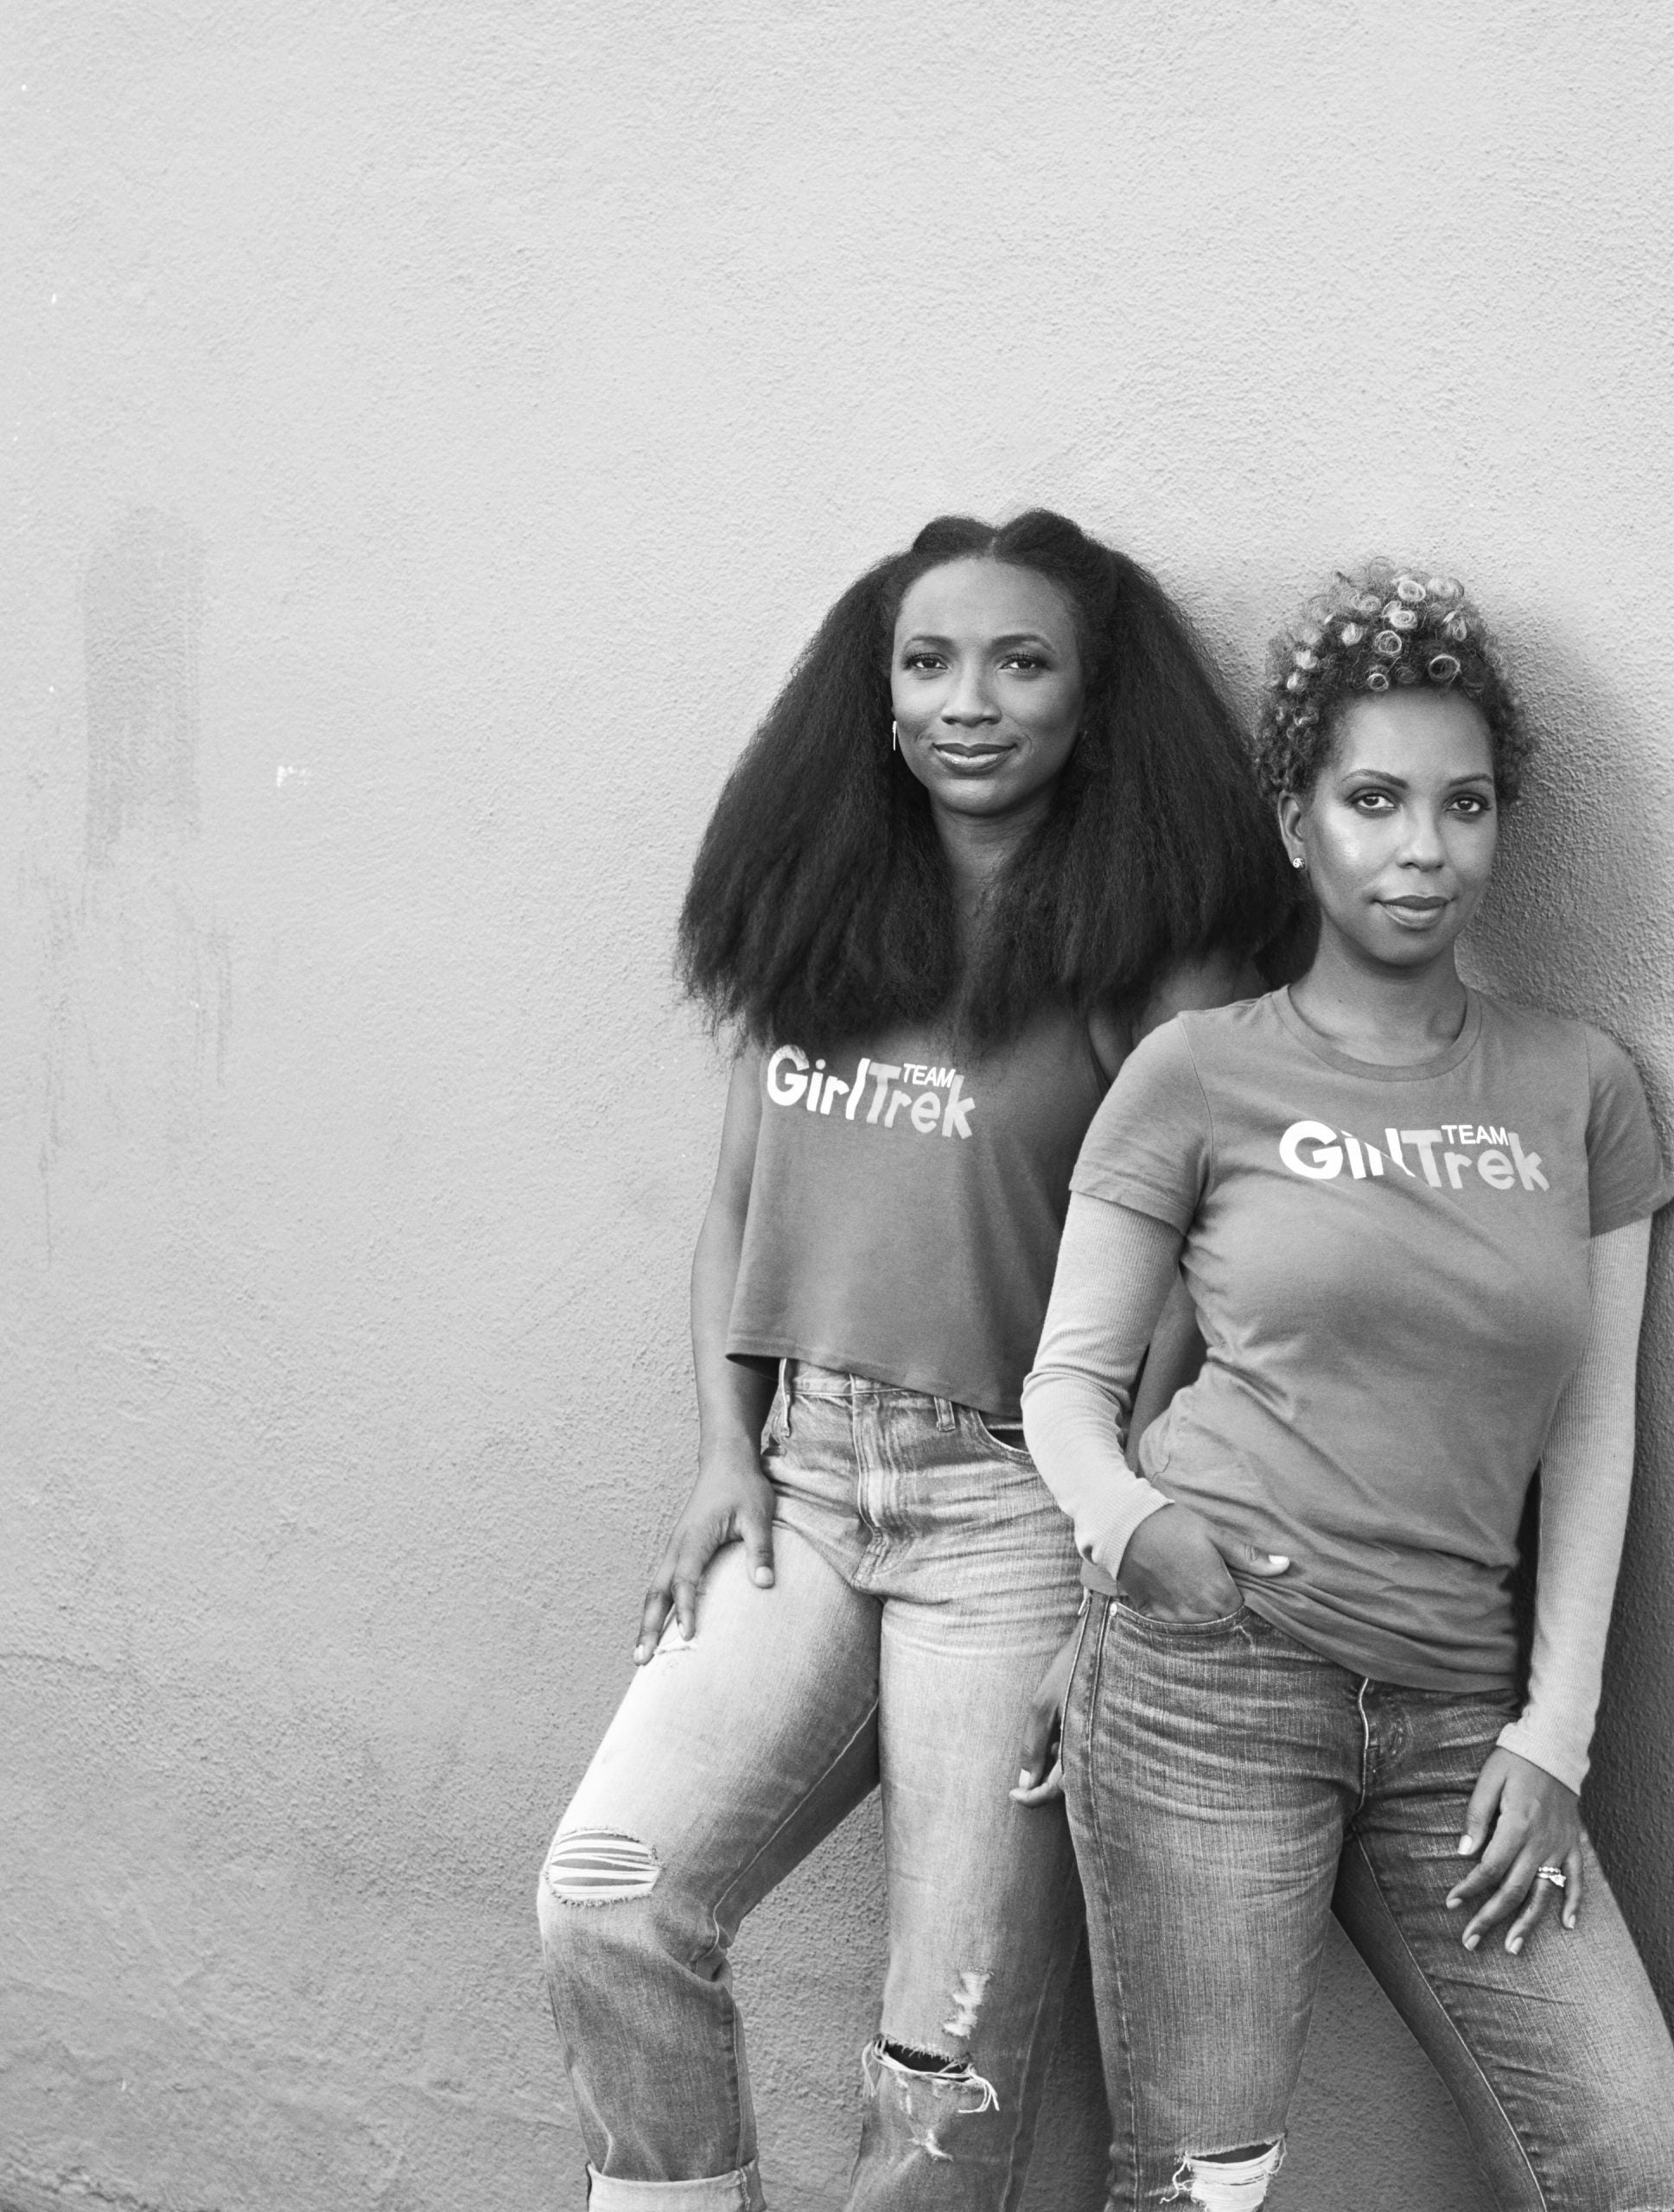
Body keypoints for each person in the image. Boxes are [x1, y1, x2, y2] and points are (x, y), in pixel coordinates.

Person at [538, 511, 1290, 2212]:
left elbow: (1208, 1271)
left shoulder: (1146, 951)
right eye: (928, 660)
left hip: (1018, 1521)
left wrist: (1110, 1536)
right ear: (874, 695)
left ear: (1090, 698)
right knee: (606, 1898)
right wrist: (727, 1454)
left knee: (941, 2077)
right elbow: (735, 1212)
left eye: (1020, 661)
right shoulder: (818, 913)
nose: (969, 700)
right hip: (802, 1486)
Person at [1020, 566, 1674, 2211]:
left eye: (1463, 806)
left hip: (1462, 1716)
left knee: (1628, 2157)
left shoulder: (1581, 1086)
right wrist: (1134, 1538)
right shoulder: (1201, 1072)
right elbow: (1066, 1388)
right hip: (1211, 1684)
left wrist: (1557, 1736)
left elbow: (1596, 1431)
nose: (1424, 848)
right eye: (1376, 800)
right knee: (1205, 2183)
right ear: (1296, 823)